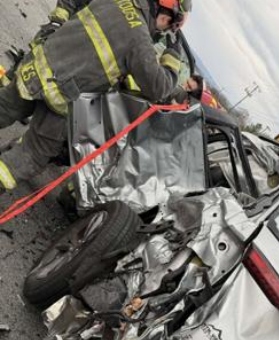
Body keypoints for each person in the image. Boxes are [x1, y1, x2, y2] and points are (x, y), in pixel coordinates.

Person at [0, 0, 193, 194]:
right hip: (60, 96)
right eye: (170, 26)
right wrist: (172, 61)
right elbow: (158, 88)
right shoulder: (139, 39)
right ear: (167, 15)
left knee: (3, 108)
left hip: (36, 69)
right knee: (30, 156)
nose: (163, 30)